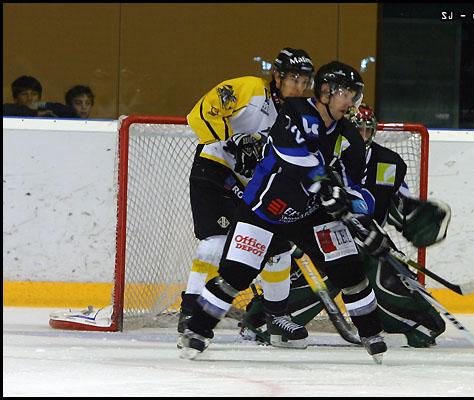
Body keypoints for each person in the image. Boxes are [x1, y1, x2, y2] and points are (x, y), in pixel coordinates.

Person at [179, 61, 400, 363]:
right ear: (325, 91)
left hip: (310, 213)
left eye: (354, 95)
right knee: (236, 275)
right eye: (346, 94)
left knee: (350, 270)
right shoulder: (295, 111)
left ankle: (372, 334)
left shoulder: (350, 137)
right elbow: (291, 156)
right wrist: (325, 185)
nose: (351, 102)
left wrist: (366, 223)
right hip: (265, 207)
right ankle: (197, 330)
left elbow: (353, 186)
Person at [240, 104, 448, 348]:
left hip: (367, 237)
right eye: (355, 129)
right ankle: (264, 322)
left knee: (389, 272)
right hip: (323, 234)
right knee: (331, 272)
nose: (361, 135)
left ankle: (419, 325)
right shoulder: (324, 155)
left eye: (366, 130)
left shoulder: (390, 163)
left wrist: (415, 218)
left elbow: (398, 207)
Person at [178, 48, 315, 349]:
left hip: (256, 188)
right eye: (294, 78)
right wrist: (232, 139)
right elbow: (199, 112)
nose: (300, 86)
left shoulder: (299, 116)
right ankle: (191, 312)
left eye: (305, 81)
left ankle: (276, 319)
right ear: (277, 76)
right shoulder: (249, 89)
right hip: (215, 172)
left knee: (276, 249)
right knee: (215, 243)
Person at [3, 75, 78, 118]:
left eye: (34, 94)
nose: (30, 98)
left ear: (39, 97)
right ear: (15, 99)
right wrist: (34, 114)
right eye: (24, 94)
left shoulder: (43, 109)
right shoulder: (9, 110)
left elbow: (71, 111)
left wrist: (40, 105)